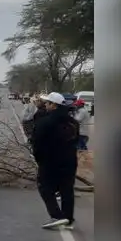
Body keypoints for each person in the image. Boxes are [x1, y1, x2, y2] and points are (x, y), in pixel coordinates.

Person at [32, 92, 80, 229]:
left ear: (54, 105)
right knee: (67, 190)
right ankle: (69, 219)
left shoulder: (45, 122)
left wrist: (39, 159)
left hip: (50, 161)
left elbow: (37, 143)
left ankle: (57, 215)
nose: (45, 105)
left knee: (45, 188)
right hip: (70, 161)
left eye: (47, 103)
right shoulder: (73, 123)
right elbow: (76, 140)